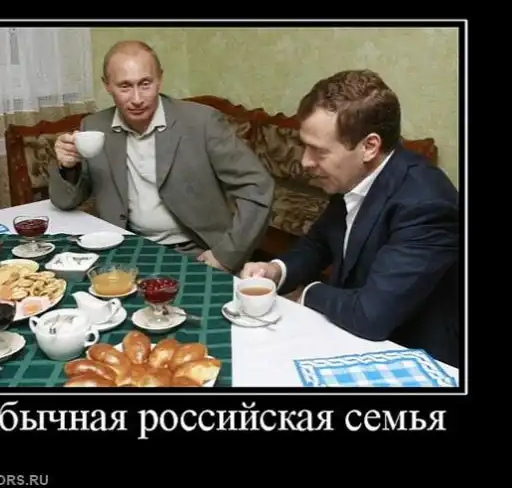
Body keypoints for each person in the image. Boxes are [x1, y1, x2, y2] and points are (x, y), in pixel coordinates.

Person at [240, 69, 460, 368]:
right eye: (305, 146)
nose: (305, 161)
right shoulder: (353, 175)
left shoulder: (427, 205)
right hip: (352, 329)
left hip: (412, 354)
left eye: (319, 151)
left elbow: (371, 316)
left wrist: (306, 293)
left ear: (369, 146)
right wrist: (276, 270)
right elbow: (319, 242)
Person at [48, 40, 274, 274]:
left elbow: (257, 186)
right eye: (125, 86)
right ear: (107, 85)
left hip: (196, 250)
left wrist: (226, 255)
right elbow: (65, 202)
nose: (137, 98)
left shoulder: (202, 122)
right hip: (126, 248)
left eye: (145, 83)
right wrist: (67, 167)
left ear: (160, 79)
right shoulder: (94, 127)